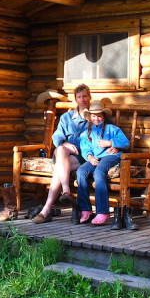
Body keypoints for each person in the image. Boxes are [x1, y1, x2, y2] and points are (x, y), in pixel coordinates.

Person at [32, 84, 91, 224]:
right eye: (79, 97)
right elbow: (57, 136)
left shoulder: (94, 117)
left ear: (89, 97)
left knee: (59, 167)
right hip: (64, 154)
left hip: (82, 155)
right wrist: (65, 143)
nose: (82, 99)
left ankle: (46, 210)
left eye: (85, 96)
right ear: (76, 99)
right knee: (60, 149)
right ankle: (65, 190)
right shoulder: (67, 117)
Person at [76, 100, 129, 226]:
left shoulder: (112, 129)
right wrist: (89, 157)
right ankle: (85, 209)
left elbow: (126, 142)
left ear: (103, 116)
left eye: (99, 116)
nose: (96, 118)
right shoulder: (87, 133)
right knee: (81, 171)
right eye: (93, 116)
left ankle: (103, 211)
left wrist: (110, 143)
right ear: (89, 117)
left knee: (99, 171)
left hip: (111, 156)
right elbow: (85, 147)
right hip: (96, 157)